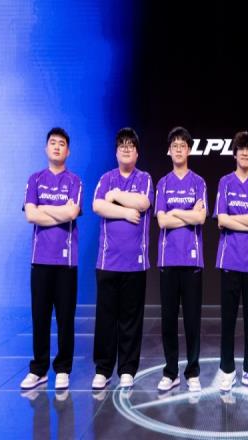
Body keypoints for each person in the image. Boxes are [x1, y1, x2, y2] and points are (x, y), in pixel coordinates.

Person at [91, 127, 153, 389]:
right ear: (116, 152)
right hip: (108, 261)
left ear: (137, 153)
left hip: (135, 262)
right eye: (122, 145)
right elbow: (97, 205)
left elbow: (143, 203)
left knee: (131, 318)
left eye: (131, 145)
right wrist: (125, 213)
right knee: (106, 318)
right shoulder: (106, 178)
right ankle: (103, 369)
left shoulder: (145, 178)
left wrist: (116, 197)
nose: (126, 149)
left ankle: (127, 369)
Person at [21, 127, 82, 390]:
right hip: (40, 260)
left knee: (66, 318)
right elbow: (31, 215)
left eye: (61, 144)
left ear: (68, 151)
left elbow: (72, 213)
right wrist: (58, 211)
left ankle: (63, 369)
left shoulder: (74, 181)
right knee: (40, 317)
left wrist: (44, 208)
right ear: (46, 148)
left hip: (66, 263)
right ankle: (39, 369)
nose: (57, 147)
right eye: (53, 143)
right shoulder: (35, 179)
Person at [214, 131, 248, 392]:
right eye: (241, 149)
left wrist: (236, 220)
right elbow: (221, 219)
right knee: (228, 319)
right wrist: (245, 221)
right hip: (229, 259)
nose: (245, 153)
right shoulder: (225, 182)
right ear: (234, 154)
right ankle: (227, 370)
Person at [155, 126, 207, 392]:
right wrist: (185, 212)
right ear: (169, 150)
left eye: (182, 145)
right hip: (168, 260)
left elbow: (201, 218)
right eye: (174, 145)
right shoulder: (162, 183)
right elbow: (162, 221)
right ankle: (171, 372)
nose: (178, 149)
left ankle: (192, 372)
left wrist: (174, 211)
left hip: (192, 262)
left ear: (189, 150)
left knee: (192, 320)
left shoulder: (199, 182)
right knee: (168, 320)